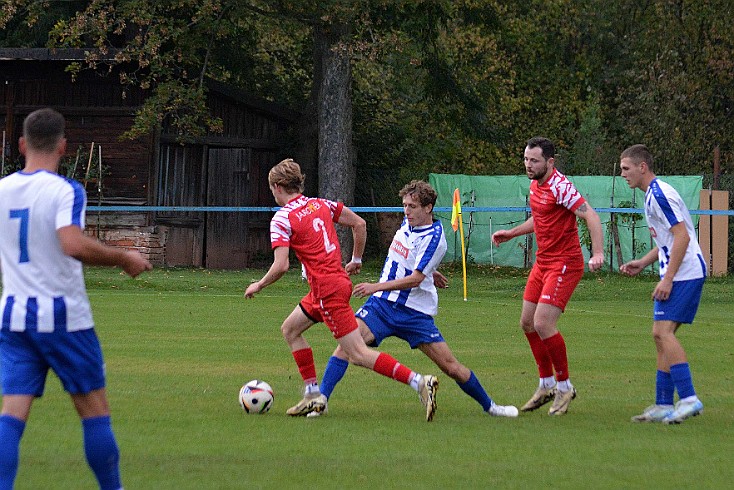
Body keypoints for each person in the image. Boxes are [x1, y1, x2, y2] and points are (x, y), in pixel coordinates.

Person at [0, 108, 152, 489]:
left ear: (21, 145)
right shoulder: (66, 191)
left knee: (11, 415)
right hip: (63, 316)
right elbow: (71, 243)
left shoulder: (2, 191)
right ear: (64, 146)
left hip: (15, 316)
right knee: (94, 413)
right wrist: (123, 258)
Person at [244, 159, 439, 421]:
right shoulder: (320, 203)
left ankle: (419, 382)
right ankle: (313, 395)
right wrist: (356, 259)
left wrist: (259, 284)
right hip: (334, 283)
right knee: (290, 329)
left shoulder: (282, 218)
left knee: (357, 353)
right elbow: (359, 224)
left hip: (326, 291)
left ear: (278, 187)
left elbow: (281, 266)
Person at [310, 180, 519, 419]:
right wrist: (430, 270)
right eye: (405, 205)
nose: (406, 211)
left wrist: (375, 286)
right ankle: (321, 401)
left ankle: (491, 407)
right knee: (347, 346)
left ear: (428, 207)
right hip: (382, 306)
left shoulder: (435, 237)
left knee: (450, 367)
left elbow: (415, 279)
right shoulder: (408, 223)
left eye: (412, 206)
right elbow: (412, 259)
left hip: (414, 312)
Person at [491, 136, 604, 415]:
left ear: (550, 162)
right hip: (543, 263)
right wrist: (511, 233)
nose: (528, 165)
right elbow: (540, 218)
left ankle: (565, 387)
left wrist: (597, 253)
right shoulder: (535, 185)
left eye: (534, 161)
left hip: (565, 263)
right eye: (526, 160)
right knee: (527, 323)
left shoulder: (560, 187)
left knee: (543, 323)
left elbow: (591, 216)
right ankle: (546, 383)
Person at [619, 144, 706, 424]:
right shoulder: (650, 196)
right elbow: (668, 241)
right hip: (677, 271)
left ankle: (689, 398)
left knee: (664, 333)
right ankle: (664, 403)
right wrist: (644, 262)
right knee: (660, 335)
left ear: (642, 167)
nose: (623, 174)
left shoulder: (660, 194)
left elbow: (682, 237)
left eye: (626, 168)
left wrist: (667, 279)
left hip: (685, 272)